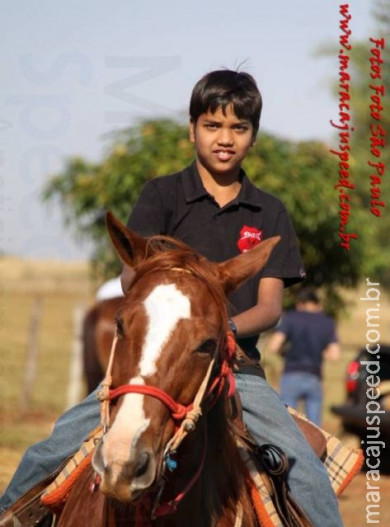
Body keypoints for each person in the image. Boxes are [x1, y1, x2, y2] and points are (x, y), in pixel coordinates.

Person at [0, 70, 343, 527]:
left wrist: (217, 330)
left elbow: (270, 307)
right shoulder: (162, 194)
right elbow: (131, 275)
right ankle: (11, 514)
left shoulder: (270, 210)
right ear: (192, 129)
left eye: (239, 128)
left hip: (236, 369)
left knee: (303, 467)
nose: (225, 139)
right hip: (153, 364)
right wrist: (172, 317)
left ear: (253, 137)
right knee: (55, 446)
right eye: (212, 125)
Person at [267, 288, 341, 426]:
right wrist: (319, 349)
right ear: (317, 304)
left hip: (291, 375)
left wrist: (284, 351)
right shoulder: (327, 322)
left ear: (300, 304)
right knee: (314, 427)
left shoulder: (291, 317)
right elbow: (335, 355)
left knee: (286, 424)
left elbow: (273, 346)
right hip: (314, 377)